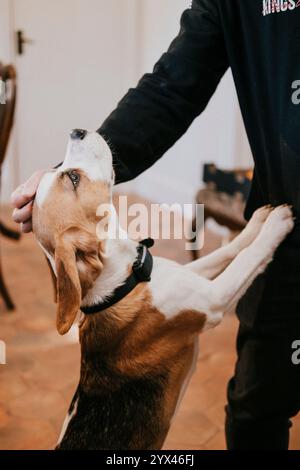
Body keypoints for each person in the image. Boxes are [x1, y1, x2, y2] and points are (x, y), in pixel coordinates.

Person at [11, 0, 300, 450]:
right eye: (70, 176)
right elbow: (170, 88)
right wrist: (60, 180)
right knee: (256, 404)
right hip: (286, 216)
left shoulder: (128, 278)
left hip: (273, 219)